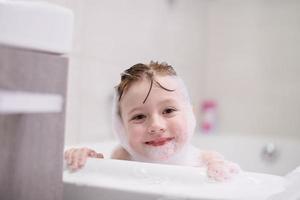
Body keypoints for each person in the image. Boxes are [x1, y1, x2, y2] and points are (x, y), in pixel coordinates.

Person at [64, 61, 240, 181]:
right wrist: (88, 160)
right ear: (121, 127)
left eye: (168, 110)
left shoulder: (205, 159)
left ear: (188, 113)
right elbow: (103, 180)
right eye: (139, 116)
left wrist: (218, 168)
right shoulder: (123, 156)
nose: (156, 126)